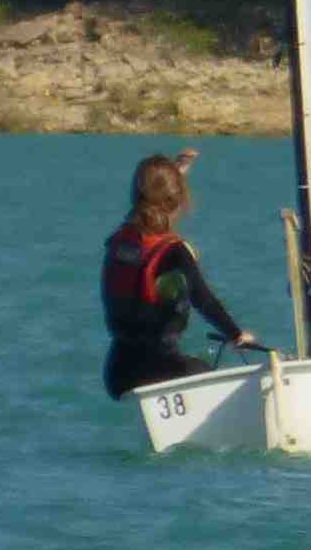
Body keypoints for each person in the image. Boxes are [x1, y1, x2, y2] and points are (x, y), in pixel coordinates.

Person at [102, 151, 265, 396]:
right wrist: (237, 335)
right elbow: (203, 300)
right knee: (222, 383)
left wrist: (175, 174)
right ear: (178, 202)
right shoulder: (173, 252)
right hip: (157, 370)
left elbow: (150, 202)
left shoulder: (122, 240)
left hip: (118, 373)